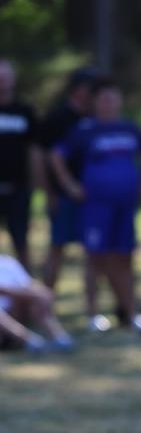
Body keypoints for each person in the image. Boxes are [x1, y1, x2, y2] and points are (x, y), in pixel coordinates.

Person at [49, 77, 141, 333]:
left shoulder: (130, 128)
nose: (109, 102)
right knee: (95, 257)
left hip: (125, 206)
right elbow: (56, 156)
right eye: (104, 98)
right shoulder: (85, 130)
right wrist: (70, 186)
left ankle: (130, 312)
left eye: (113, 96)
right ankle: (93, 314)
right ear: (95, 102)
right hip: (96, 206)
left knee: (125, 256)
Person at [38, 67, 98, 305]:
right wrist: (50, 191)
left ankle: (92, 308)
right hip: (63, 194)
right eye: (89, 88)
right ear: (77, 90)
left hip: (94, 196)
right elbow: (43, 157)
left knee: (94, 252)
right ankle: (45, 304)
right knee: (57, 248)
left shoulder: (95, 117)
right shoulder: (57, 117)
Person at [0, 59, 44, 273]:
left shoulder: (24, 111)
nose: (2, 81)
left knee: (21, 241)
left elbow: (34, 151)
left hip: (18, 187)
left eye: (6, 76)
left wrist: (36, 185)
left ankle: (25, 289)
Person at [0, 253, 74, 353]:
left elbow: (28, 285)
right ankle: (32, 342)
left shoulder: (8, 263)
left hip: (16, 311)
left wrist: (41, 293)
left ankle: (59, 338)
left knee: (39, 298)